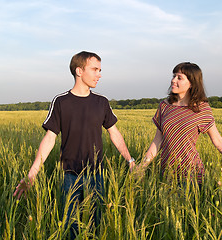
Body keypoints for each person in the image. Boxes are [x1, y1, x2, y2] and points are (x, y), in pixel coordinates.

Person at [13, 51, 135, 238]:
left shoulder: (101, 102)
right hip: (69, 176)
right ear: (79, 71)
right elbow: (50, 138)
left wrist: (130, 160)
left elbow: (114, 133)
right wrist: (32, 175)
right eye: (95, 69)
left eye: (100, 70)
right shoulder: (61, 101)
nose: (99, 75)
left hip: (97, 175)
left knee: (97, 227)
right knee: (70, 228)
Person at [137, 62, 222, 189]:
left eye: (179, 77)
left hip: (191, 173)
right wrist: (142, 166)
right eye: (173, 76)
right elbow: (157, 141)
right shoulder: (164, 106)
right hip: (167, 172)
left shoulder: (201, 108)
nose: (173, 80)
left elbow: (218, 141)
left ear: (192, 83)